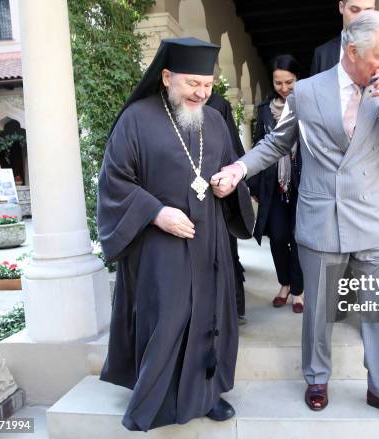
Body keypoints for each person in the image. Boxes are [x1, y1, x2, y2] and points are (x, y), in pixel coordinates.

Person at [212, 11, 379, 421]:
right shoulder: (305, 93)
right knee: (319, 313)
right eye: (378, 57)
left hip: (372, 222)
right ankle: (317, 378)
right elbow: (276, 143)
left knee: (376, 312)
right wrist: (239, 169)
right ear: (352, 52)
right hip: (319, 219)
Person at [97, 37, 254, 432]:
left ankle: (207, 393)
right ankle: (155, 400)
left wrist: (227, 184)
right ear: (167, 77)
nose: (202, 93)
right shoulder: (136, 119)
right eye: (192, 84)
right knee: (169, 316)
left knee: (211, 316)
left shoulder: (216, 121)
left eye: (207, 84)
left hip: (210, 240)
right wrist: (155, 212)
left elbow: (230, 165)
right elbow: (114, 181)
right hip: (159, 245)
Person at [311, 0, 379, 209]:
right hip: (332, 167)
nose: (362, 17)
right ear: (341, 7)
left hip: (376, 166)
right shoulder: (323, 54)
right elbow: (313, 113)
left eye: (368, 10)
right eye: (355, 10)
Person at [248, 55, 304, 313]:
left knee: (299, 238)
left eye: (289, 82)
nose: (283, 88)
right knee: (279, 238)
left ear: (298, 78)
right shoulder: (263, 110)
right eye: (278, 82)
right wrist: (256, 186)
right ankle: (284, 284)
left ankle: (299, 290)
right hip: (274, 186)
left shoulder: (307, 104)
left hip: (302, 185)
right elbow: (259, 145)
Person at [205, 92, 248, 324]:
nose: (200, 92)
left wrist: (229, 181)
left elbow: (232, 151)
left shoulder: (217, 104)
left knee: (226, 254)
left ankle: (234, 309)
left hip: (217, 196)